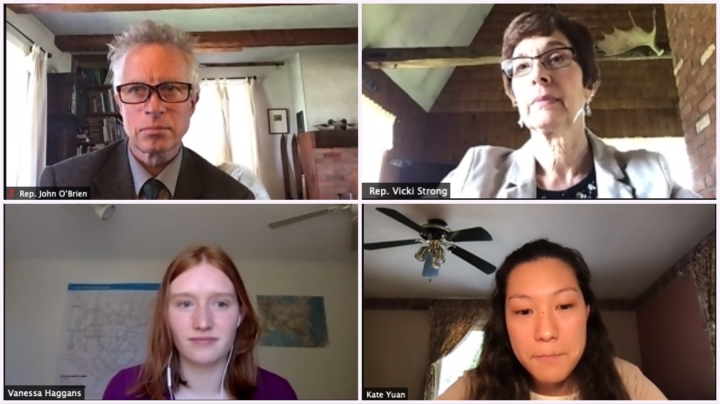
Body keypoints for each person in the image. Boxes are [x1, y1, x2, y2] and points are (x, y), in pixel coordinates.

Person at [441, 8, 698, 198]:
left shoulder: (650, 174)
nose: (538, 75)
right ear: (513, 96)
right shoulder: (477, 173)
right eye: (521, 66)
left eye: (555, 58)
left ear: (589, 86)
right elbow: (407, 209)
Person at [39, 21, 254, 199]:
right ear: (119, 104)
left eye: (170, 88)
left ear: (193, 103)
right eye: (136, 89)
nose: (153, 108)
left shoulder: (233, 197)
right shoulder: (61, 185)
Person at [438, 239, 667, 400]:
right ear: (504, 322)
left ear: (587, 311)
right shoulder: (475, 389)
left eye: (565, 306)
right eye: (524, 311)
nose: (546, 332)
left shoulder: (627, 382)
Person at [102, 246, 296, 400]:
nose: (203, 323)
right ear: (165, 315)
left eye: (220, 303)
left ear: (240, 314)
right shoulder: (124, 390)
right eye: (185, 304)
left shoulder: (279, 393)